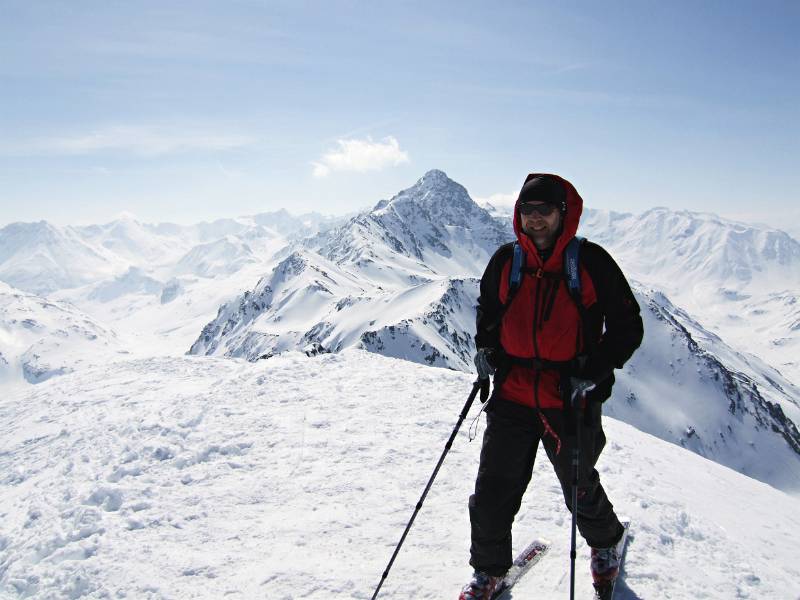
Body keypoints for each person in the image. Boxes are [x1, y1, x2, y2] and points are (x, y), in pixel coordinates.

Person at [459, 173, 644, 600]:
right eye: (527, 211)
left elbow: (627, 326)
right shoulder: (507, 262)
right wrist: (486, 351)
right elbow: (489, 313)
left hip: (569, 396)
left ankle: (606, 542)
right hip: (513, 392)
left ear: (565, 213)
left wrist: (594, 368)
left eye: (544, 210)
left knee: (579, 487)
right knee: (492, 490)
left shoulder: (590, 263)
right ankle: (489, 572)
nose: (535, 220)